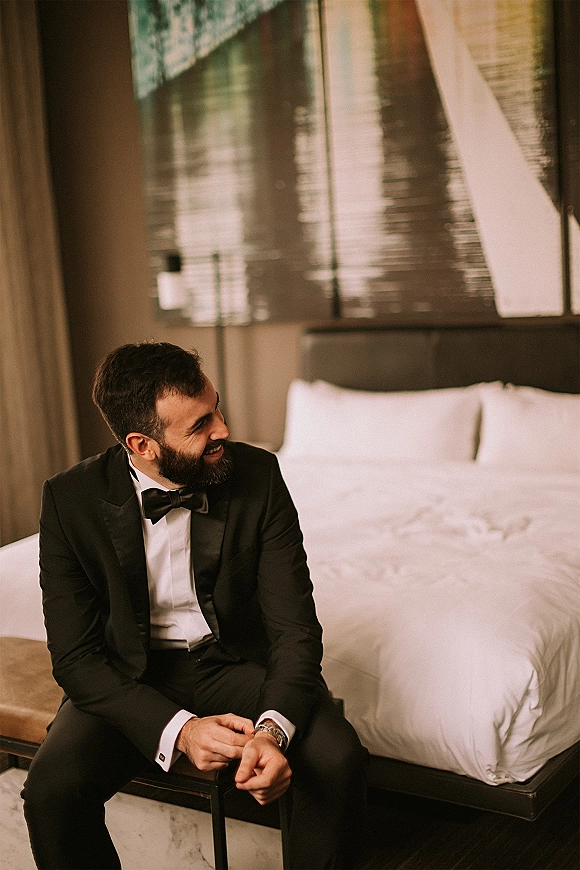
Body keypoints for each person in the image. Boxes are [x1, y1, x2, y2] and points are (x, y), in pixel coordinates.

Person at [22, 341, 367, 870]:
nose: (223, 429)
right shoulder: (70, 500)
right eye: (201, 424)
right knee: (51, 792)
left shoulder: (258, 475)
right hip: (129, 677)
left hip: (235, 662)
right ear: (142, 444)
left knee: (336, 757)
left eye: (217, 409)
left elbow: (295, 630)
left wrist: (271, 733)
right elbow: (75, 659)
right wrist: (180, 730)